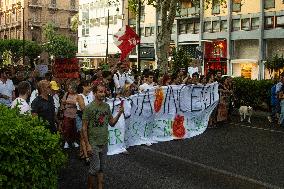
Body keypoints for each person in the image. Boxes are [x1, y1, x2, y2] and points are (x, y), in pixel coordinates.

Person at [82, 84, 124, 189]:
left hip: (104, 142)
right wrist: (88, 145)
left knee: (101, 168)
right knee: (94, 168)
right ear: (95, 93)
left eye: (103, 91)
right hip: (93, 143)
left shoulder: (106, 106)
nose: (102, 94)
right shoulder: (89, 108)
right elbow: (84, 128)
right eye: (100, 92)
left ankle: (100, 187)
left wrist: (119, 114)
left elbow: (112, 123)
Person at [76, 80, 93, 164]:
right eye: (88, 85)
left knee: (86, 136)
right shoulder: (79, 96)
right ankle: (86, 157)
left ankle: (82, 153)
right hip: (81, 117)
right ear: (83, 87)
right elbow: (83, 108)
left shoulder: (90, 95)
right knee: (83, 136)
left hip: (88, 118)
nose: (90, 87)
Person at [61, 82, 79, 149]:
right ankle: (66, 142)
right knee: (67, 128)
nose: (69, 89)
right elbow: (63, 101)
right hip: (67, 113)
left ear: (74, 89)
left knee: (74, 129)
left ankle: (74, 141)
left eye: (70, 88)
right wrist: (62, 108)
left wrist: (68, 102)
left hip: (75, 114)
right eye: (68, 87)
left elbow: (77, 103)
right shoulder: (66, 94)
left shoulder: (77, 95)